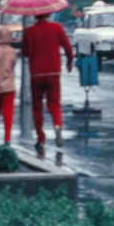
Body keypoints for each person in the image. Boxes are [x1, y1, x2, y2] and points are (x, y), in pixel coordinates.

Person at [21, 11, 73, 152]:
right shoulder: (57, 28)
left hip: (36, 74)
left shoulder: (29, 31)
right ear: (48, 14)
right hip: (53, 72)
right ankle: (57, 125)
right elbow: (68, 47)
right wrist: (69, 62)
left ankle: (41, 138)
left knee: (37, 107)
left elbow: (25, 52)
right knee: (55, 104)